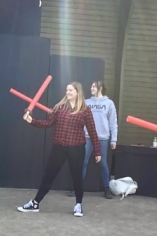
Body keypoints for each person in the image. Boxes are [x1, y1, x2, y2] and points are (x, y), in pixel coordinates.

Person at [17, 82, 101, 217]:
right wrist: (32, 121)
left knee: (77, 177)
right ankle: (35, 203)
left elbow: (92, 131)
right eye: (67, 90)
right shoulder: (59, 108)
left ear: (77, 92)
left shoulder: (85, 109)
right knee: (48, 176)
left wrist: (97, 151)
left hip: (77, 148)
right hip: (59, 147)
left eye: (71, 90)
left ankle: (78, 205)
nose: (68, 92)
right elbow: (48, 123)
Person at [68, 80, 117, 199]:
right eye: (91, 86)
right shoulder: (86, 102)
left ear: (100, 88)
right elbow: (76, 115)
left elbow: (113, 122)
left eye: (94, 86)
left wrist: (113, 139)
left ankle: (106, 189)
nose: (91, 88)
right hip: (87, 137)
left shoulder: (109, 103)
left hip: (103, 138)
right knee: (83, 162)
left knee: (103, 163)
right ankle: (76, 188)